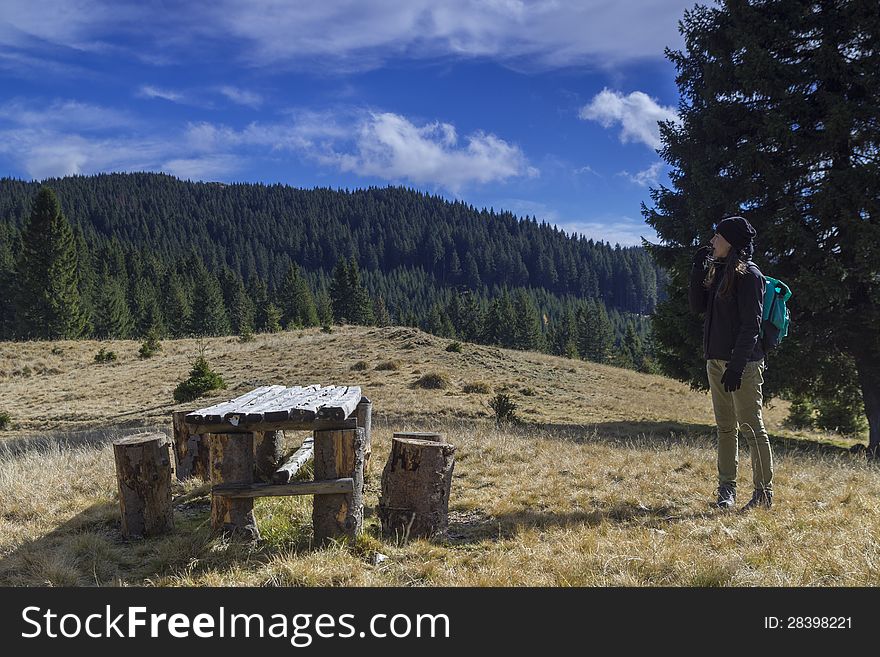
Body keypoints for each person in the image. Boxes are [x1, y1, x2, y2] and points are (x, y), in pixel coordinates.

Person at [688, 216, 773, 511]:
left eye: (717, 236)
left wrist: (736, 366)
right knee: (725, 428)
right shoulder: (720, 270)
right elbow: (698, 307)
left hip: (744, 365)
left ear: (732, 242)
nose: (712, 241)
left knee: (751, 427)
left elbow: (752, 325)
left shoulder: (750, 275)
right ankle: (727, 492)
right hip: (716, 361)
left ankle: (763, 494)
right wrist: (697, 269)